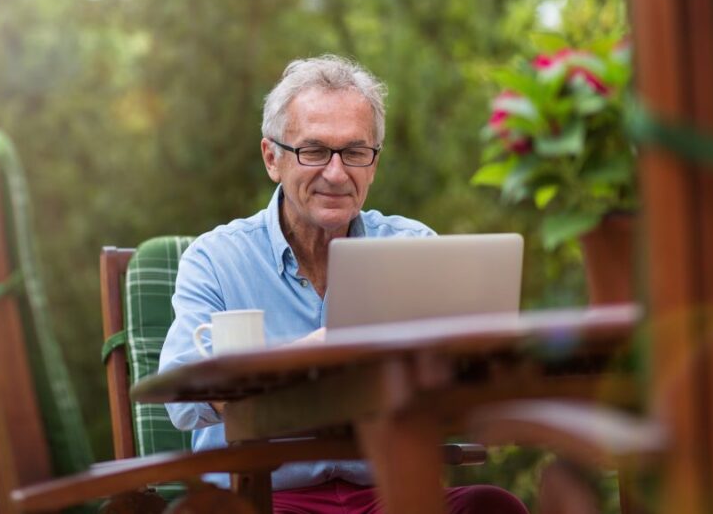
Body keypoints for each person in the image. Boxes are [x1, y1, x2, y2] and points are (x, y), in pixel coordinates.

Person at [158, 55, 528, 514]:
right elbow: (182, 401)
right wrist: (305, 358)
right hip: (265, 498)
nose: (336, 173)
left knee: (492, 506)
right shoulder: (215, 258)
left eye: (354, 153)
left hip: (391, 495)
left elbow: (466, 385)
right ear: (272, 158)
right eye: (313, 151)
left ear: (373, 164)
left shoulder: (414, 247)